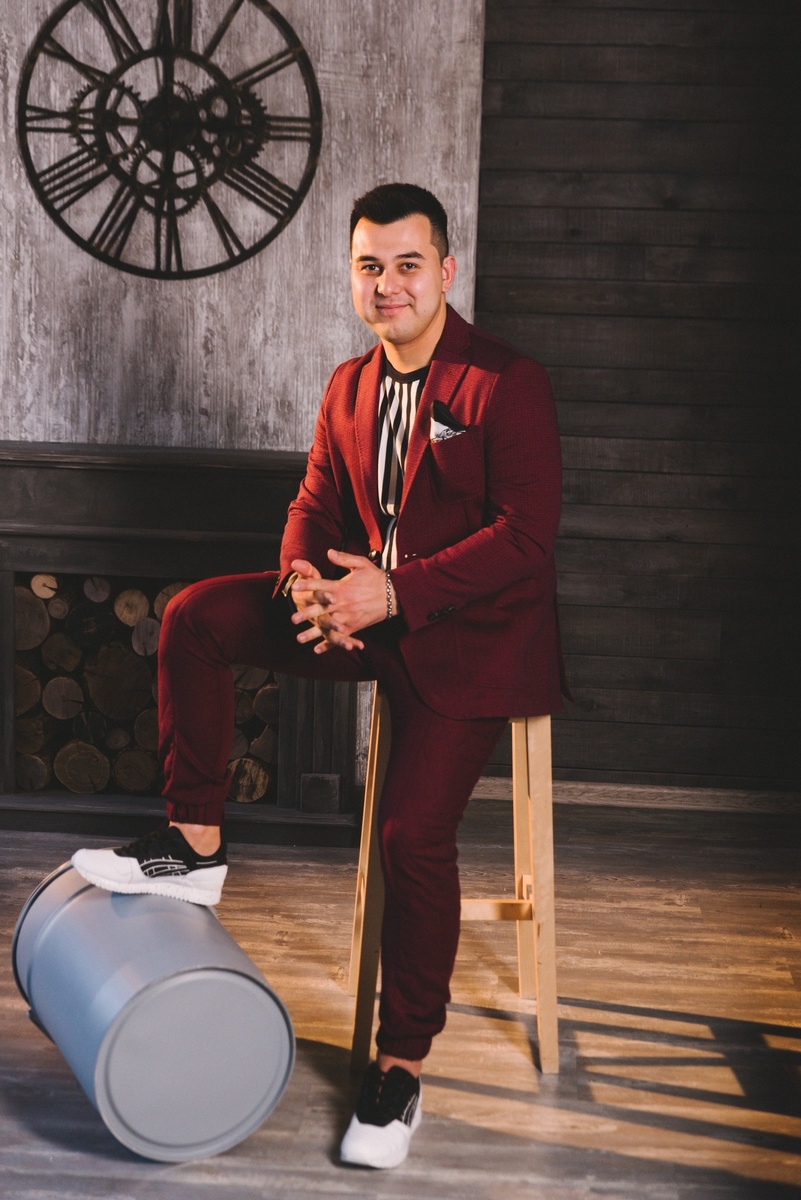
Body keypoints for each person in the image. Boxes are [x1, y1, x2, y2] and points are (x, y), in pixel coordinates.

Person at [71, 182, 563, 1169]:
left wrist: (395, 593)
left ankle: (400, 1067)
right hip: (360, 614)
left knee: (408, 836)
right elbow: (314, 500)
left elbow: (526, 540)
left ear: (446, 271)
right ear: (352, 276)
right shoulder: (347, 386)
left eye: (407, 265)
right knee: (195, 618)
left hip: (469, 642)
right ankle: (196, 841)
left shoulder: (506, 383)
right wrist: (304, 582)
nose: (387, 285)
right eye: (368, 266)